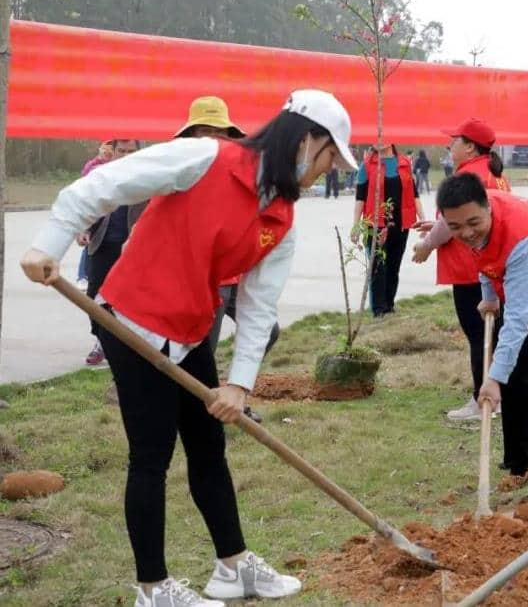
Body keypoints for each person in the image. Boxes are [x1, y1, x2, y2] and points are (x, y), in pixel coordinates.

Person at [21, 89, 355, 607]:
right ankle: (153, 590)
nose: (327, 170)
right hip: (131, 322)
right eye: (332, 156)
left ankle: (234, 567)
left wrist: (239, 384)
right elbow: (102, 185)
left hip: (191, 329)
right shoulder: (205, 156)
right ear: (308, 139)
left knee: (208, 447)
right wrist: (50, 243)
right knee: (151, 457)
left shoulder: (282, 218)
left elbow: (259, 307)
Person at [436, 174, 528, 475]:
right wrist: (489, 295)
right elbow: (483, 254)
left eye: (473, 223)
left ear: (487, 208)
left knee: (516, 377)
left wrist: (492, 379)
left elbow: (519, 318)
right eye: (455, 227)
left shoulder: (524, 238)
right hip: (525, 289)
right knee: (518, 374)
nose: (466, 232)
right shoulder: (476, 219)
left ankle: (524, 465)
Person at [171, 98, 286, 364]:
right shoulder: (180, 176)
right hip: (206, 282)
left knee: (268, 333)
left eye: (220, 133)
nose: (214, 139)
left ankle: (232, 390)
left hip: (237, 278)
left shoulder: (238, 175)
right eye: (205, 132)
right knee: (201, 355)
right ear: (191, 136)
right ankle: (201, 401)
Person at [412, 118, 511, 422]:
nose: (448, 145)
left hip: (473, 270)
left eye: (454, 140)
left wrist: (427, 244)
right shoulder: (494, 174)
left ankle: (482, 401)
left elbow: (451, 222)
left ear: (469, 146)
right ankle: (500, 395)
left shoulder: (471, 174)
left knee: (480, 335)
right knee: (493, 333)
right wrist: (442, 225)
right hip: (494, 266)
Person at [83, 140, 145, 367]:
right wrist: (83, 228)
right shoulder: (101, 175)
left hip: (135, 249)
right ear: (113, 152)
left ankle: (122, 346)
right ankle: (102, 338)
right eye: (122, 151)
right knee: (93, 297)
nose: (126, 155)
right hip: (103, 245)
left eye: (131, 151)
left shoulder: (150, 177)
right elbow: (85, 205)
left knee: (128, 300)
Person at [353, 141, 425, 317]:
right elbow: (360, 197)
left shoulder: (404, 163)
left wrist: (423, 219)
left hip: (400, 224)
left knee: (393, 266)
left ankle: (389, 306)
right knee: (377, 267)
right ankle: (378, 311)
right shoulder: (368, 165)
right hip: (375, 224)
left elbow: (414, 194)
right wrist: (356, 226)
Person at [76, 140, 116, 290]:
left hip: (111, 212)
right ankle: (82, 276)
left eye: (110, 151)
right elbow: (85, 180)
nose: (107, 154)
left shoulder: (118, 166)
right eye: (105, 151)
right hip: (96, 212)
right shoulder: (93, 166)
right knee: (89, 247)